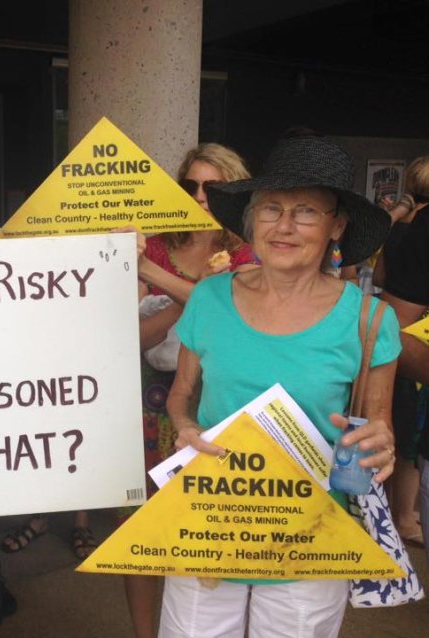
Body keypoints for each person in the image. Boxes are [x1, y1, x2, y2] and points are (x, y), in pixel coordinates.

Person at [161, 135, 399, 637]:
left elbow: (380, 429)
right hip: (210, 524)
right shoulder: (209, 298)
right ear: (252, 218)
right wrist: (183, 426)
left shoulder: (368, 320)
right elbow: (181, 396)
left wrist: (381, 448)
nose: (283, 226)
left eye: (306, 211)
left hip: (309, 536)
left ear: (337, 225)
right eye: (271, 208)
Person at [124, 143, 258, 638]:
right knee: (140, 528)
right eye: (190, 185)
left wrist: (157, 280)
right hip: (146, 400)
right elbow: (129, 338)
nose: (200, 196)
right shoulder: (155, 243)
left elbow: (240, 320)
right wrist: (194, 301)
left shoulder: (247, 250)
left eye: (214, 187)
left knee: (206, 525)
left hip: (216, 402)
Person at [380, 165, 429, 559]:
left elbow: (379, 275)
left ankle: (402, 516)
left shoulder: (404, 229)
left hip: (391, 336)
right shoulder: (422, 230)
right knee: (409, 436)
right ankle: (405, 518)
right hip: (416, 347)